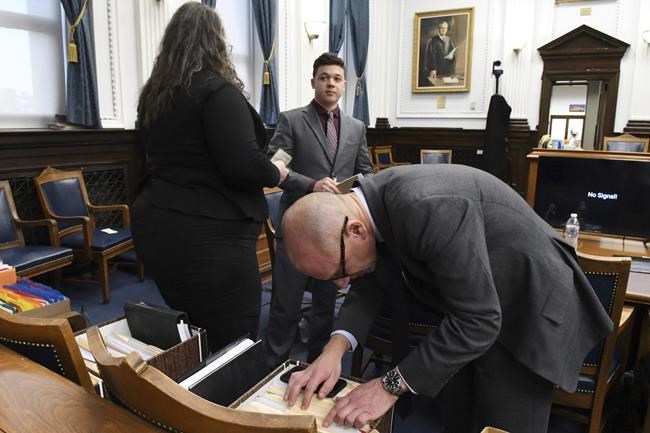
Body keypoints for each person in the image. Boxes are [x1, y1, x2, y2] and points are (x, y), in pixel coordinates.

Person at [280, 164, 613, 433]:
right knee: (459, 417)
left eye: (339, 271)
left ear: (356, 230)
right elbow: (371, 282)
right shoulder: (366, 210)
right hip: (473, 308)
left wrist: (388, 384)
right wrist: (333, 350)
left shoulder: (425, 206)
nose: (340, 284)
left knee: (503, 425)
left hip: (528, 309)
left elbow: (480, 320)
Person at [131, 2, 288, 354]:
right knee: (234, 339)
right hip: (209, 235)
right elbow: (243, 165)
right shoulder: (216, 91)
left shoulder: (154, 95)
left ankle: (185, 395)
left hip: (158, 225)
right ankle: (218, 403)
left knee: (189, 326)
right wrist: (275, 172)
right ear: (216, 42)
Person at [263, 52, 373, 368]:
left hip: (336, 233)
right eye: (324, 77)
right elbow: (276, 165)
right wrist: (312, 185)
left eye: (337, 79)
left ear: (344, 85)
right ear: (313, 82)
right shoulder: (292, 120)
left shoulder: (356, 127)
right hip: (297, 227)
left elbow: (365, 170)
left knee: (326, 305)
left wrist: (358, 186)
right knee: (286, 304)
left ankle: (317, 366)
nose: (330, 84)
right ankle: (273, 366)